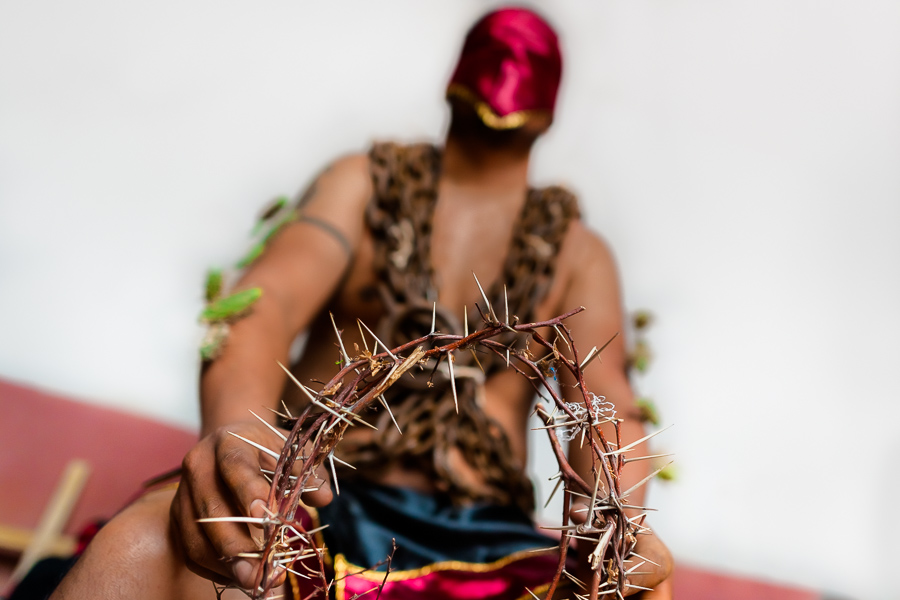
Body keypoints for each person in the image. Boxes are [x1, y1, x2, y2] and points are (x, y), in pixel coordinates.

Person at [50, 7, 672, 600]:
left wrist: (614, 518)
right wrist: (238, 430)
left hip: (492, 544)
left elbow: (606, 400)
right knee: (145, 548)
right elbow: (266, 301)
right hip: (317, 496)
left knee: (646, 582)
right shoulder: (362, 187)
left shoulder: (577, 254)